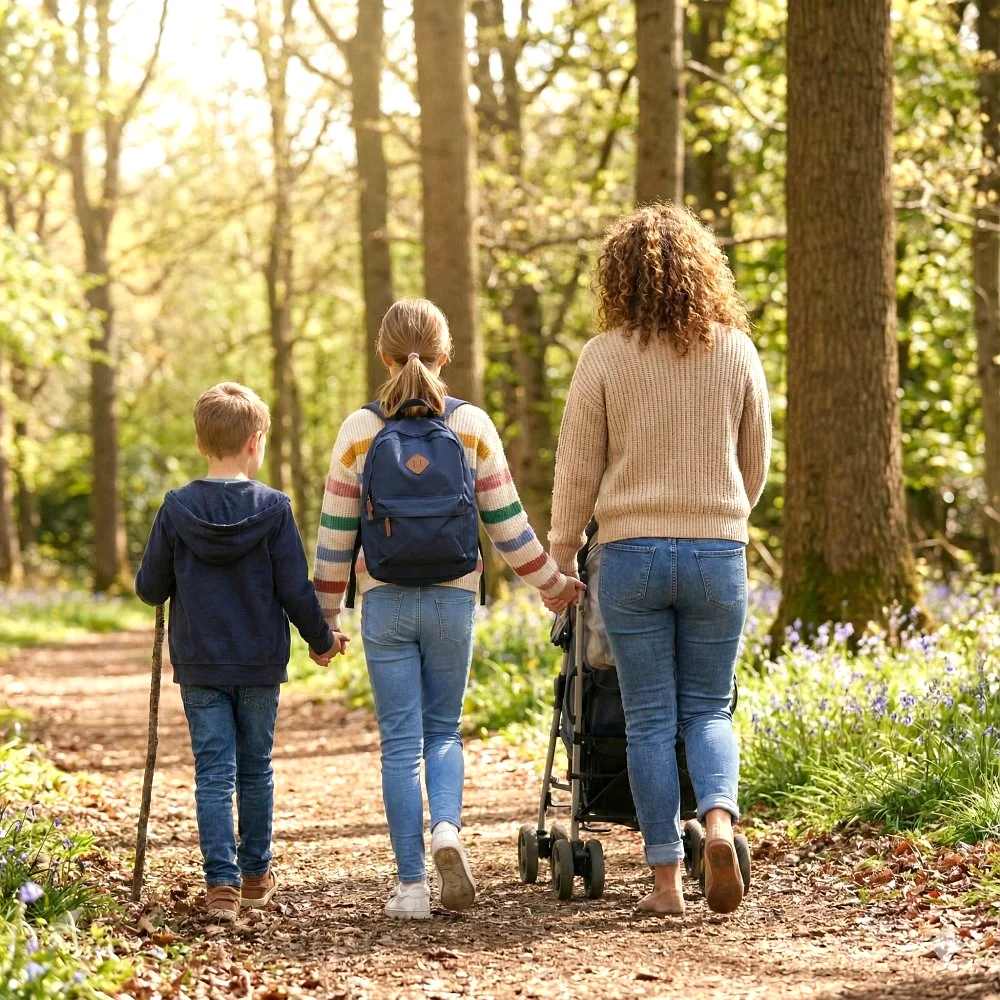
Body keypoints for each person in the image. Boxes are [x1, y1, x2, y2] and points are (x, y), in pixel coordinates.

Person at [313, 298, 583, 919]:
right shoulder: (470, 424)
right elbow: (507, 524)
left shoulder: (359, 431)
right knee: (443, 731)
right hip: (454, 598)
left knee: (399, 744)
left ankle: (410, 887)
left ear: (383, 356)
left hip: (383, 600)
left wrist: (324, 621)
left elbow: (335, 535)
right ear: (446, 355)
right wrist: (553, 585)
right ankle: (447, 831)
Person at [547, 203, 771, 916]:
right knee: (710, 708)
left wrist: (561, 551)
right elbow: (756, 461)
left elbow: (576, 467)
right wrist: (724, 517)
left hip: (629, 553)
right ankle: (718, 824)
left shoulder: (603, 356)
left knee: (647, 718)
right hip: (718, 551)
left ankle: (667, 883)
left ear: (619, 278)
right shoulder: (736, 350)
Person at [135, 381, 347, 923]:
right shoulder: (273, 509)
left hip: (201, 663)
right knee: (255, 767)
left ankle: (221, 887)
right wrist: (322, 640)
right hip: (258, 663)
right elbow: (294, 590)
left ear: (201, 443)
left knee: (213, 772)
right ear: (255, 442)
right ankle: (255, 876)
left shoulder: (176, 508)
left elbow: (149, 588)